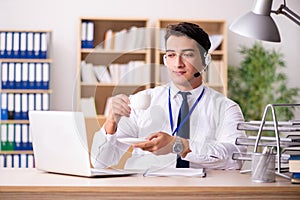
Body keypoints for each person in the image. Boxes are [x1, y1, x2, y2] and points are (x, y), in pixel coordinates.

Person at [93, 22, 247, 170]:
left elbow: (236, 158)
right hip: (146, 189)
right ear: (165, 60)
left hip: (200, 192)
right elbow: (100, 162)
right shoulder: (139, 101)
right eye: (171, 55)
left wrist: (179, 145)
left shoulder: (226, 108)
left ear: (205, 60)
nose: (178, 63)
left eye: (187, 54)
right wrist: (110, 123)